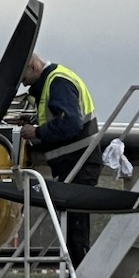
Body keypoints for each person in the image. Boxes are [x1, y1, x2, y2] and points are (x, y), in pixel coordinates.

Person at [18, 52, 102, 264]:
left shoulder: (58, 82)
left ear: (34, 67)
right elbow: (60, 116)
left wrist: (37, 132)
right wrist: (34, 120)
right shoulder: (55, 81)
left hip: (78, 164)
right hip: (74, 164)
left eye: (23, 79)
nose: (24, 86)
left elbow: (70, 124)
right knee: (72, 228)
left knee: (76, 229)